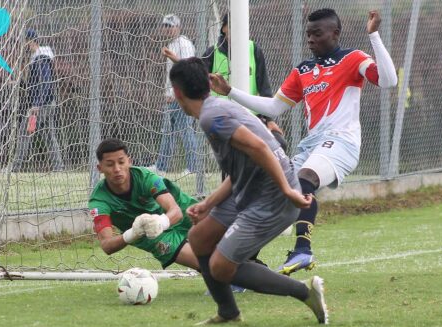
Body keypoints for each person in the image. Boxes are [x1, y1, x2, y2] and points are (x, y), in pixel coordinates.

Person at [210, 9, 398, 275]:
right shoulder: (303, 70)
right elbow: (274, 107)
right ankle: (246, 263)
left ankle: (302, 251)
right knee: (267, 192)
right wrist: (230, 91)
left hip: (341, 142)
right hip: (312, 145)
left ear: (335, 33)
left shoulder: (353, 59)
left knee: (304, 180)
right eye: (308, 34)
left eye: (317, 34)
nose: (310, 39)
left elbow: (389, 80)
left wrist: (374, 36)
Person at [169, 57, 328, 325]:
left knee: (220, 266)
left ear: (177, 93)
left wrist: (287, 190)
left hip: (272, 198)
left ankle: (304, 291)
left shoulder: (211, 117)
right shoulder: (216, 108)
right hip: (253, 190)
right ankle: (228, 313)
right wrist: (209, 203)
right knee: (199, 238)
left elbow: (260, 148)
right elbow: (242, 166)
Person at [88, 137, 245, 292]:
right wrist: (133, 233)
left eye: (121, 162)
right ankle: (233, 280)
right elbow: (107, 245)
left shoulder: (146, 178)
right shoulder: (99, 201)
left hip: (178, 209)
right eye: (110, 164)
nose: (117, 169)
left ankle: (248, 268)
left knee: (231, 229)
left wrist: (159, 222)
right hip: (148, 234)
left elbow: (175, 211)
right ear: (99, 168)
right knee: (206, 262)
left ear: (129, 161)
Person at [202, 13, 287, 151]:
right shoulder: (212, 53)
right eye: (232, 26)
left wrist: (270, 120)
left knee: (279, 144)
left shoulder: (253, 49)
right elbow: (199, 85)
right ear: (224, 28)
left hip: (253, 117)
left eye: (240, 26)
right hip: (223, 119)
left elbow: (264, 87)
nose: (237, 30)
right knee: (234, 155)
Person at [149, 14, 197, 176]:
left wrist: (176, 94)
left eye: (170, 26)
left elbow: (189, 68)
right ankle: (161, 166)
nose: (167, 29)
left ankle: (193, 168)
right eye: (165, 26)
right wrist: (168, 92)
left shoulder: (184, 44)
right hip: (173, 95)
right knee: (167, 132)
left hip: (183, 96)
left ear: (178, 27)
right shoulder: (172, 44)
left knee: (186, 131)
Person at [12, 29, 64, 172]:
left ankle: (15, 168)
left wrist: (37, 104)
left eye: (25, 41)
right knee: (49, 136)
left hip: (42, 104)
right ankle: (58, 167)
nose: (24, 45)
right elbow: (34, 84)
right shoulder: (37, 58)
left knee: (24, 131)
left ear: (31, 41)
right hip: (47, 102)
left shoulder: (41, 58)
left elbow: (45, 82)